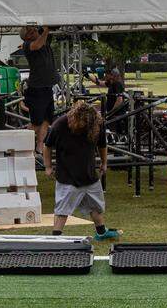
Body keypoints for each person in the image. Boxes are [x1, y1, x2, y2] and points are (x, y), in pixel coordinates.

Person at [43, 99, 119, 242]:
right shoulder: (60, 125)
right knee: (62, 208)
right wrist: (48, 166)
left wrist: (104, 163)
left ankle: (101, 231)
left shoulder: (96, 124)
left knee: (95, 205)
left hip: (89, 174)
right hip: (67, 175)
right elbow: (47, 146)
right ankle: (56, 236)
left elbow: (102, 145)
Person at [20, 26, 59, 154]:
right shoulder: (28, 45)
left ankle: (39, 147)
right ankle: (19, 144)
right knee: (36, 122)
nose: (35, 31)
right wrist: (46, 30)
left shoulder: (44, 39)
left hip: (46, 87)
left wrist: (46, 29)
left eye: (35, 29)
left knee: (47, 119)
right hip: (37, 89)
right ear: (28, 36)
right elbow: (37, 45)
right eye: (32, 31)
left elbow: (45, 35)